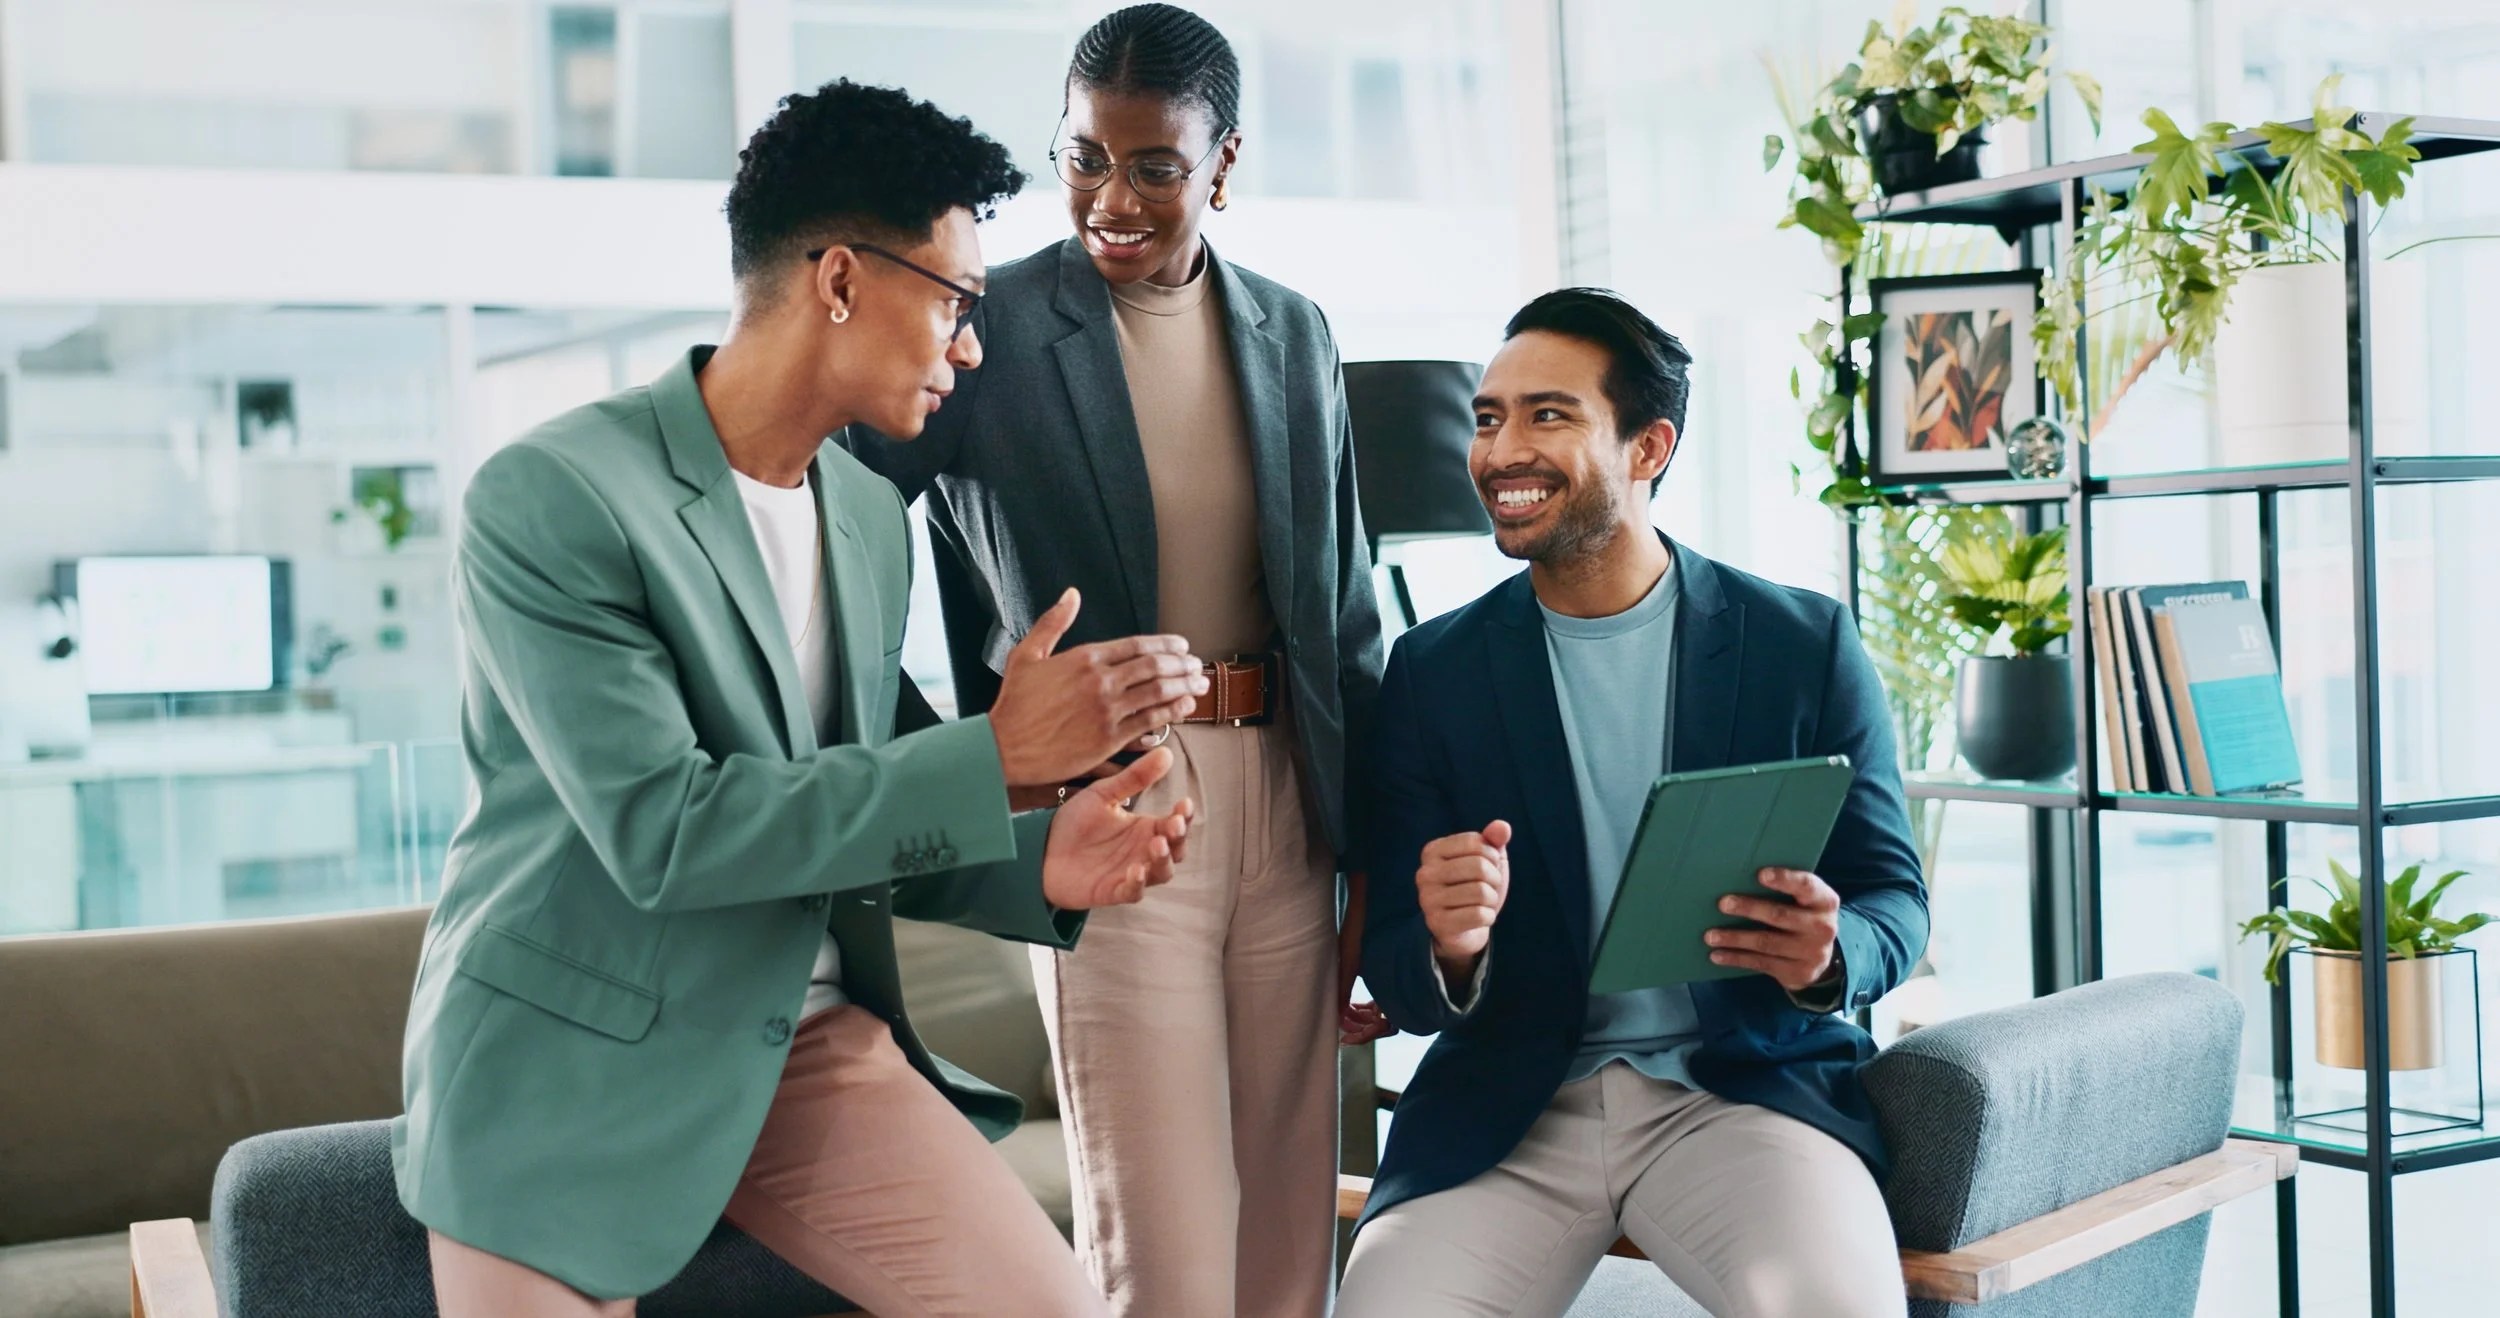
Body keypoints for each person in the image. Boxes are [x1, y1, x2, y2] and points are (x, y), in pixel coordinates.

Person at [394, 81, 1213, 1318]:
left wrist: (1038, 855)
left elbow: (866, 799)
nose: (971, 346)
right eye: (954, 303)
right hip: (566, 1070)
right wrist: (991, 759)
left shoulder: (871, 515)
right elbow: (668, 831)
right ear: (839, 280)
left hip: (808, 1048)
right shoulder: (553, 497)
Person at [840, 7, 1385, 1314]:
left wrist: (1373, 866)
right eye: (1085, 156)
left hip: (1290, 808)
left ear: (1225, 162)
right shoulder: (994, 323)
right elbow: (834, 537)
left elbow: (1348, 620)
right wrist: (972, 755)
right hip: (1114, 805)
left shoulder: (1295, 332)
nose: (1112, 196)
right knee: (1166, 1250)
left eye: (1154, 165)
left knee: (1287, 1242)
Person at [1336, 289, 1928, 1318]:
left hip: (1738, 1095)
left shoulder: (1802, 645)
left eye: (1547, 415)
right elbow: (1398, 963)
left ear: (1648, 446)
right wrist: (1450, 944)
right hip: (1509, 1110)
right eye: (1487, 418)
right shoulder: (1431, 671)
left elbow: (1893, 899)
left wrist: (1830, 956)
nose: (1501, 450)